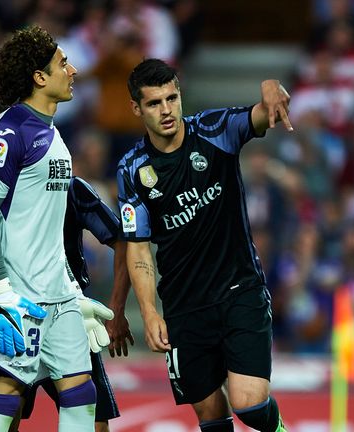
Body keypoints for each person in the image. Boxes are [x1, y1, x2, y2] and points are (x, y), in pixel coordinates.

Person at [115, 58, 293, 432]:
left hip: (239, 289)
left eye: (171, 98)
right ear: (136, 108)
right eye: (154, 103)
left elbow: (261, 115)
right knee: (210, 415)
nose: (166, 110)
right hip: (183, 306)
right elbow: (138, 247)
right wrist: (148, 312)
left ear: (180, 95)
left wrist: (271, 85)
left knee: (249, 404)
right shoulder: (132, 170)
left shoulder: (216, 130)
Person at [0, 25, 95, 431]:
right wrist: (2, 292)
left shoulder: (52, 132)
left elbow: (43, 225)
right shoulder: (6, 133)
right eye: (62, 63)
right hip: (15, 295)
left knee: (81, 395)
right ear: (39, 77)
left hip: (56, 295)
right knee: (5, 399)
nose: (72, 70)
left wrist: (70, 288)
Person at [0, 169, 134, 432]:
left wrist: (117, 310)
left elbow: (122, 240)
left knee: (90, 415)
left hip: (66, 312)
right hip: (16, 317)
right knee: (7, 411)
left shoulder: (70, 189)